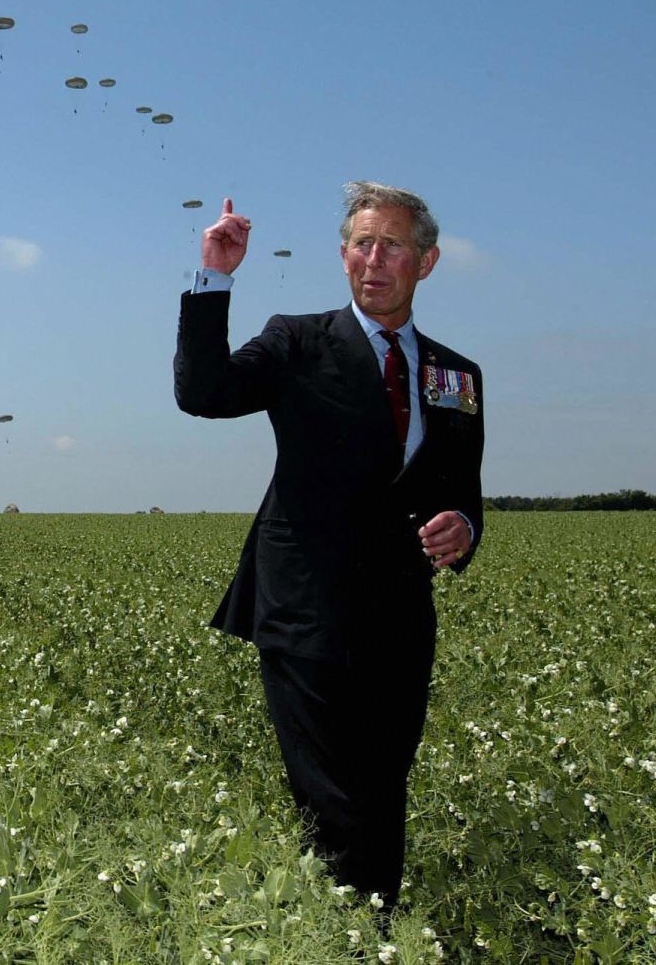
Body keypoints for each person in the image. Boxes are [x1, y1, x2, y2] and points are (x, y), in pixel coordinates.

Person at [173, 183, 484, 912]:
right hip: (306, 611)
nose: (374, 261)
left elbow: (461, 488)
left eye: (394, 246)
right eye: (362, 245)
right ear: (344, 256)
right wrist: (215, 276)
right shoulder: (297, 340)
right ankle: (360, 930)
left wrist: (463, 528)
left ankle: (363, 919)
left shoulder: (454, 375)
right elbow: (205, 391)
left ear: (427, 261)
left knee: (382, 783)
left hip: (400, 614)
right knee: (334, 794)